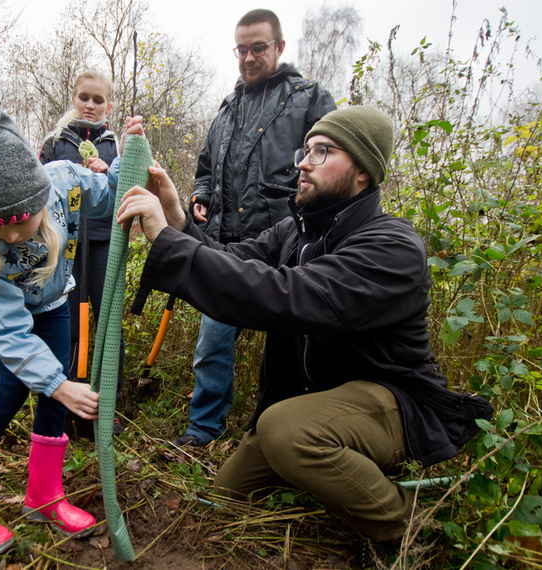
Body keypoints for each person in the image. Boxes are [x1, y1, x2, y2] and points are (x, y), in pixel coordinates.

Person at [117, 106, 493, 542]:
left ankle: (410, 528)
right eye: (306, 149)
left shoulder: (393, 246)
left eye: (322, 151)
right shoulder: (294, 233)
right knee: (226, 495)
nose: (302, 162)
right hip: (317, 404)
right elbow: (232, 263)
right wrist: (177, 220)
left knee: (285, 432)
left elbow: (284, 296)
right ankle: (321, 472)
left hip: (393, 403)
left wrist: (166, 240)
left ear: (363, 172)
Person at [0, 101, 143, 561]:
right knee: (5, 396)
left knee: (53, 391)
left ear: (35, 197)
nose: (9, 238)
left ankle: (44, 496)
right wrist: (60, 383)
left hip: (56, 303)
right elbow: (7, 334)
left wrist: (129, 152)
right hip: (14, 323)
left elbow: (108, 190)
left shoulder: (63, 180)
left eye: (14, 223)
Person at [177, 8, 337, 446]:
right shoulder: (228, 108)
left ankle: (287, 439)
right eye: (241, 49)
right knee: (212, 343)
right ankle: (203, 431)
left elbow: (332, 162)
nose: (249, 57)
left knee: (293, 351)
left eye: (258, 47)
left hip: (288, 253)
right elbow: (207, 168)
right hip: (227, 247)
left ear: (279, 48)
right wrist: (201, 197)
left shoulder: (310, 98)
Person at [39, 70, 124, 434]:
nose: (90, 105)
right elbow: (37, 185)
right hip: (65, 243)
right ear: (74, 99)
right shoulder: (56, 140)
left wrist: (107, 172)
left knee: (106, 323)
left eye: (98, 99)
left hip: (104, 240)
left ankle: (105, 406)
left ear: (108, 104)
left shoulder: (113, 144)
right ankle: (69, 404)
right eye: (84, 98)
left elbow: (125, 186)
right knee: (69, 323)